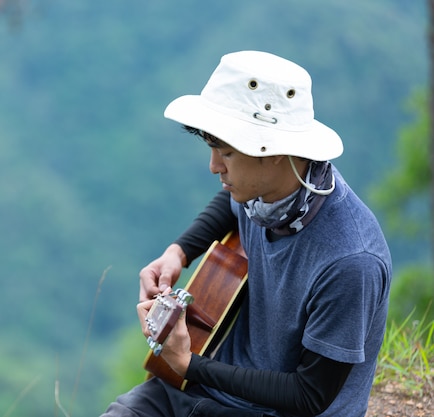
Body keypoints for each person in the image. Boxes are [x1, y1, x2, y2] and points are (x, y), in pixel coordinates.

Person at [101, 51, 392, 417]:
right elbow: (230, 203)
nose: (213, 167)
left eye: (225, 153)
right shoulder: (264, 191)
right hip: (199, 390)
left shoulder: (351, 260)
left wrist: (189, 364)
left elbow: (310, 395)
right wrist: (179, 252)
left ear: (272, 152)